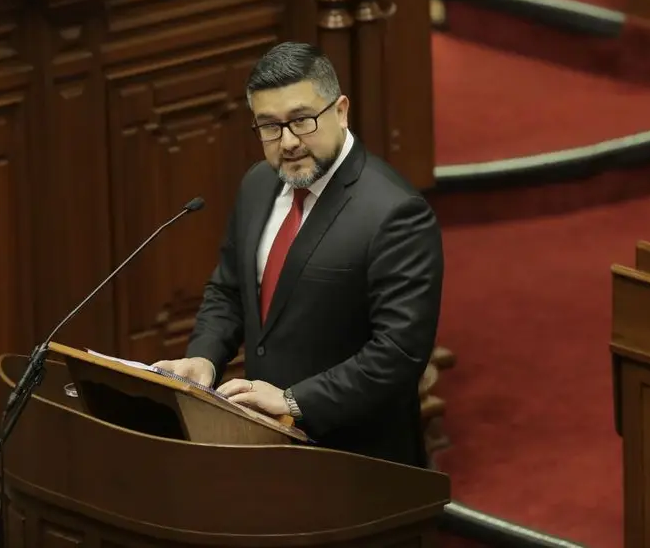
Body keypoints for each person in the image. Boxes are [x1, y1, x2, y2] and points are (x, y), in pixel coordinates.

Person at [153, 41, 443, 466]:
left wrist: (294, 401)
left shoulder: (394, 212)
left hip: (360, 460)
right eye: (269, 126)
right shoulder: (257, 185)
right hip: (268, 444)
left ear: (340, 111)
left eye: (302, 121)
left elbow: (398, 352)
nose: (287, 142)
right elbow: (230, 289)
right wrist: (204, 357)